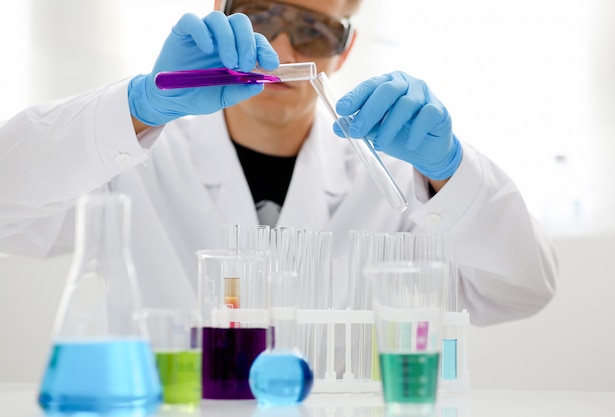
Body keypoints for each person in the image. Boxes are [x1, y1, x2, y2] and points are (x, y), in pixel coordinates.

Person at [0, 0, 556, 327]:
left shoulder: (398, 181)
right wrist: (139, 106)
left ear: (346, 49)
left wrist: (452, 173)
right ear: (222, 14)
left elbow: (520, 289)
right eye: (261, 18)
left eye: (314, 31)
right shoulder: (126, 149)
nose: (284, 56)